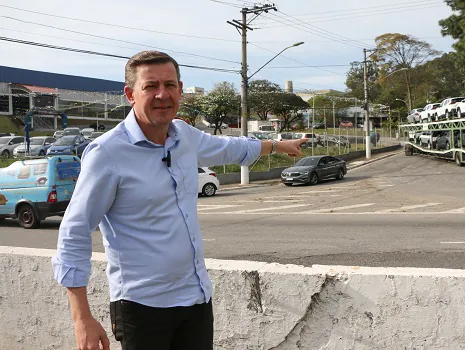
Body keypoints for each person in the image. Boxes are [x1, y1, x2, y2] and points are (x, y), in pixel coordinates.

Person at [52, 50, 306, 350]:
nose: (162, 94)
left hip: (196, 298)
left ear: (181, 90)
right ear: (130, 94)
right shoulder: (107, 153)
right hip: (142, 307)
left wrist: (277, 145)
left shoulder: (183, 135)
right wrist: (81, 319)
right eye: (151, 86)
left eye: (170, 85)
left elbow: (230, 148)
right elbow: (75, 230)